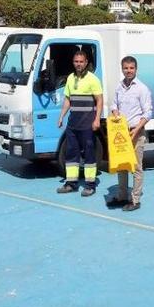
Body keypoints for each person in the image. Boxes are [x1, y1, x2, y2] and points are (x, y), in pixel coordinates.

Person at [108, 56, 152, 212]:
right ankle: (122, 196)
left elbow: (147, 113)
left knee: (136, 167)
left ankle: (135, 200)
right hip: (121, 132)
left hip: (136, 132)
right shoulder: (119, 87)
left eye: (131, 68)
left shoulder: (142, 88)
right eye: (126, 68)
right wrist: (115, 113)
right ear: (122, 69)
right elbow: (114, 104)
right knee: (122, 165)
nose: (128, 71)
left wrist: (136, 130)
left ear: (136, 69)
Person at [56, 50, 103, 197]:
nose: (78, 64)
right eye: (76, 61)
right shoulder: (70, 78)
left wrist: (96, 119)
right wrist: (61, 116)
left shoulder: (93, 79)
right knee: (71, 154)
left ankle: (90, 185)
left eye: (81, 61)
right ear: (73, 62)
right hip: (73, 124)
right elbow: (67, 100)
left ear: (86, 62)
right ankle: (71, 183)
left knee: (89, 154)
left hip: (87, 124)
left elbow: (99, 100)